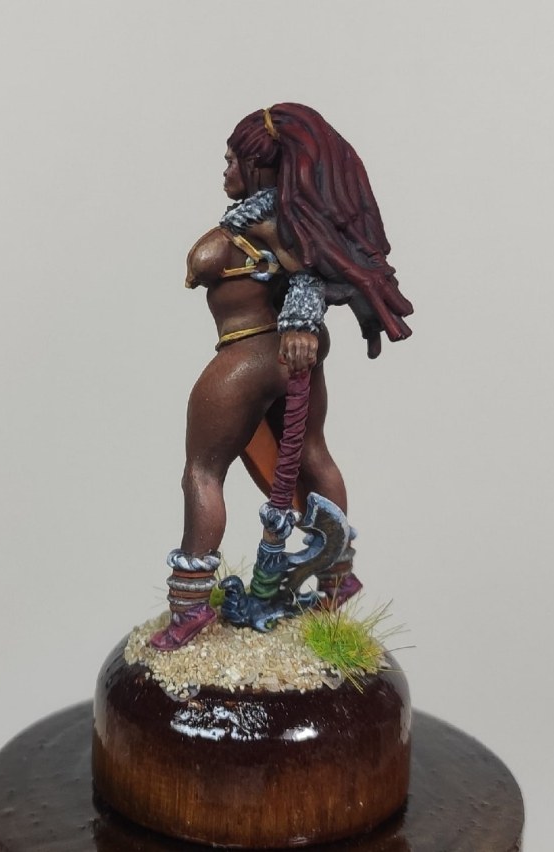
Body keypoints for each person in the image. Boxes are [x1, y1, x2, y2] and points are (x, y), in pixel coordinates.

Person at [150, 103, 413, 650]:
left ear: (257, 166)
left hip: (246, 356)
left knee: (202, 471)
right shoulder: (299, 226)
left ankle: (189, 606)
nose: (225, 171)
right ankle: (337, 577)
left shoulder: (256, 228)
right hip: (290, 359)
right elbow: (310, 268)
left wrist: (245, 243)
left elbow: (207, 263)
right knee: (312, 453)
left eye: (232, 161)